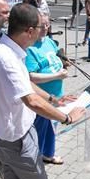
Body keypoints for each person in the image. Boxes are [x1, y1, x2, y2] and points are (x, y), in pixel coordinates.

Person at [0, 4, 86, 179]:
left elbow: (27, 87)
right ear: (29, 31)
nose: (44, 32)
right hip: (14, 136)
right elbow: (30, 101)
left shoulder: (9, 50)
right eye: (40, 28)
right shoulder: (7, 58)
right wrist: (67, 117)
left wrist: (54, 99)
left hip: (6, 133)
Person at [26, 14, 71, 165]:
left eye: (47, 24)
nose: (45, 28)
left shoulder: (50, 42)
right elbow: (31, 77)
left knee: (52, 127)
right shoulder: (30, 48)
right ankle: (38, 157)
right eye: (42, 25)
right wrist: (57, 75)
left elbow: (58, 56)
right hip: (43, 97)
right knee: (41, 129)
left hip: (57, 95)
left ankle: (47, 153)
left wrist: (64, 63)